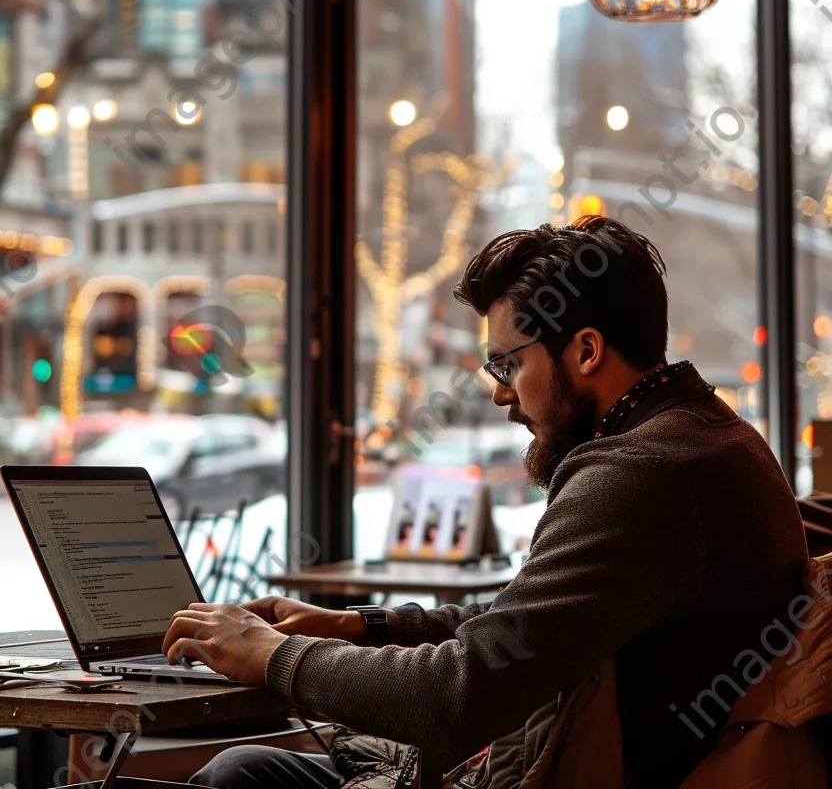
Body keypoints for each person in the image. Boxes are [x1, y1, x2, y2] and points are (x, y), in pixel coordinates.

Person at [162, 217, 808, 789]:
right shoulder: (709, 437)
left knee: (239, 775)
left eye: (506, 365)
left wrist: (274, 657)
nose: (501, 396)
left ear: (585, 350)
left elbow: (462, 693)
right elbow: (524, 630)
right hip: (574, 752)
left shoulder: (638, 474)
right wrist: (361, 625)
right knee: (247, 769)